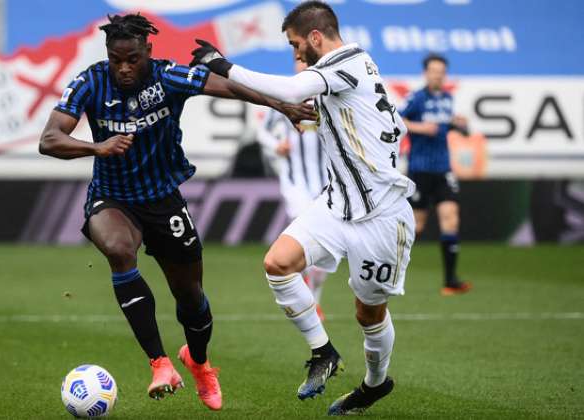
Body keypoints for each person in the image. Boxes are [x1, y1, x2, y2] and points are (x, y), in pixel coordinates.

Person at [39, 13, 314, 411]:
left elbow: (230, 88)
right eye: (116, 59)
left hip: (163, 198)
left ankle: (199, 364)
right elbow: (50, 139)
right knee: (119, 251)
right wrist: (96, 147)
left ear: (147, 51)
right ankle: (160, 363)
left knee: (190, 297)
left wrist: (282, 105)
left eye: (132, 58)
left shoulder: (168, 77)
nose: (123, 68)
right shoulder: (90, 81)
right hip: (112, 197)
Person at [191, 1, 415, 415]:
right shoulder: (345, 71)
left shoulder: (348, 60)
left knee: (369, 313)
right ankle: (323, 352)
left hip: (382, 215)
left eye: (297, 46)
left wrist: (223, 65)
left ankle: (374, 384)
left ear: (316, 37)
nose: (296, 55)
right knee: (278, 263)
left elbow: (293, 89)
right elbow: (338, 117)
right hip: (336, 201)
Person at [256, 59, 329, 320]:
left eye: (306, 60)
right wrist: (277, 145)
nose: (303, 64)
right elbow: (262, 132)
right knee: (304, 239)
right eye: (299, 61)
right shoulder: (286, 95)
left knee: (321, 251)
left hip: (326, 184)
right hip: (295, 182)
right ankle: (308, 300)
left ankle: (314, 300)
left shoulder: (327, 94)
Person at [400, 53, 471, 296]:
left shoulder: (448, 99)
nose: (437, 75)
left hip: (443, 169)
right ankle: (391, 269)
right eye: (433, 71)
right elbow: (395, 120)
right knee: (416, 227)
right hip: (419, 170)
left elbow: (446, 128)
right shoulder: (416, 98)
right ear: (426, 73)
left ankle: (450, 281)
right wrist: (420, 127)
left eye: (441, 71)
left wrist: (458, 125)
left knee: (451, 218)